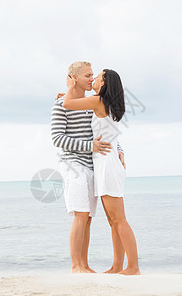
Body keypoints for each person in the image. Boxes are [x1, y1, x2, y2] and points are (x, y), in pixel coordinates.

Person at [63, 67, 140, 275]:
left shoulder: (98, 102)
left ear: (104, 83)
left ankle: (133, 266)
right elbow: (75, 103)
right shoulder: (102, 102)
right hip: (106, 162)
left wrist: (70, 87)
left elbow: (68, 105)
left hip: (106, 165)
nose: (94, 78)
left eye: (97, 77)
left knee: (118, 219)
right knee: (113, 220)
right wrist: (69, 93)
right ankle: (117, 266)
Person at [50, 61, 125, 273]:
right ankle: (76, 266)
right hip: (73, 165)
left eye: (93, 75)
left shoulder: (91, 103)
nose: (92, 78)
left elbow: (105, 130)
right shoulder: (60, 104)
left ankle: (84, 264)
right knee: (80, 215)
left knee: (88, 218)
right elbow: (57, 138)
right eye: (87, 75)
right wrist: (89, 146)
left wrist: (120, 150)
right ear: (74, 78)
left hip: (93, 165)